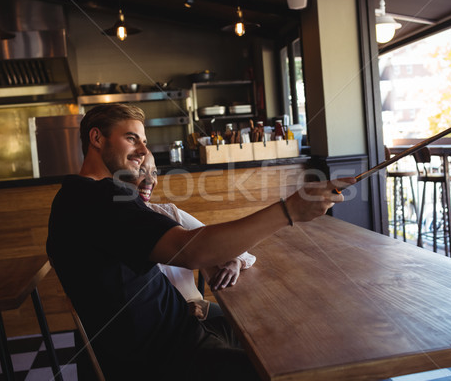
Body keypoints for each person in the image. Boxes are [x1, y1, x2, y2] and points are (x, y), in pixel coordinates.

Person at [46, 103, 352, 380]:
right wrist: (289, 210)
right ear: (96, 138)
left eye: (144, 141)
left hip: (179, 330)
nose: (142, 150)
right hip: (166, 359)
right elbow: (192, 250)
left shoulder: (92, 196)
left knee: (286, 335)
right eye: (131, 138)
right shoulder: (95, 200)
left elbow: (194, 246)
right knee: (295, 365)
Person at [134, 152, 256, 320]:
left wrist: (234, 260)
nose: (150, 180)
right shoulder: (118, 227)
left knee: (250, 321)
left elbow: (220, 243)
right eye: (141, 171)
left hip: (198, 308)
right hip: (164, 323)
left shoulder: (169, 213)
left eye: (154, 172)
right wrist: (178, 309)